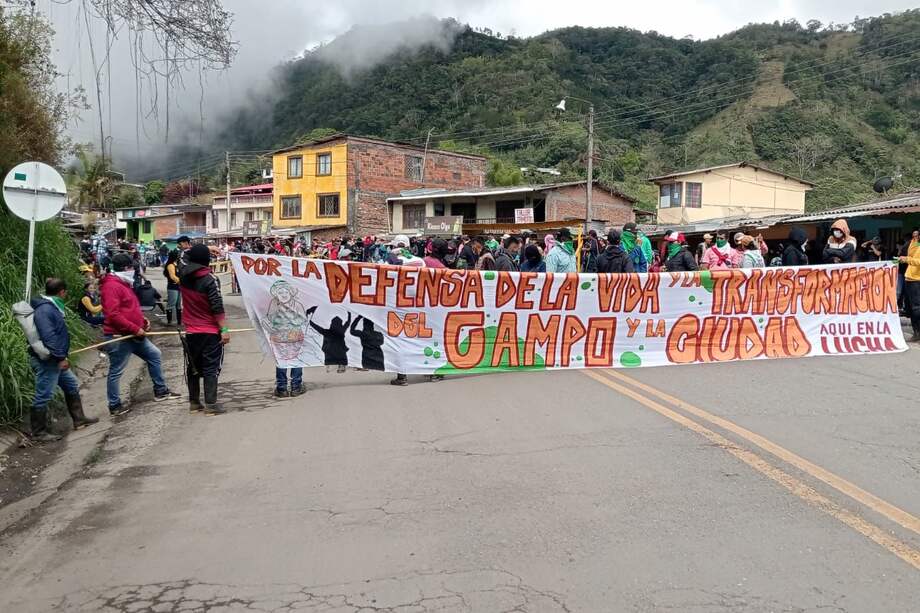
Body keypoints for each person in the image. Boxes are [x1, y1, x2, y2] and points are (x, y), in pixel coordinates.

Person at [101, 254, 180, 416]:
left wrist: (142, 321)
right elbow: (113, 315)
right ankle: (114, 405)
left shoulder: (124, 283)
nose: (133, 270)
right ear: (126, 268)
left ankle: (160, 390)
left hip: (135, 334)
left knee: (154, 355)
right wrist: (134, 328)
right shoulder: (111, 286)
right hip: (119, 336)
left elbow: (130, 308)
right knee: (116, 371)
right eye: (132, 267)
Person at [27, 279, 99, 442]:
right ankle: (38, 433)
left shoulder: (48, 306)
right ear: (62, 292)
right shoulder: (46, 309)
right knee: (44, 394)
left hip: (54, 358)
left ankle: (79, 419)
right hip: (49, 360)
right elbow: (49, 336)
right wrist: (60, 357)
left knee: (71, 384)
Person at [179, 244, 230, 415]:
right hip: (210, 332)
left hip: (191, 332)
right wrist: (224, 330)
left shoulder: (183, 275)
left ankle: (194, 403)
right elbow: (217, 307)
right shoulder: (210, 279)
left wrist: (203, 248)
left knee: (193, 366)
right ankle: (211, 406)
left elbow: (182, 255)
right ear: (207, 260)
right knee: (210, 368)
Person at [900, 228, 920, 342]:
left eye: (917, 236)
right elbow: (910, 254)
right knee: (910, 307)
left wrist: (907, 260)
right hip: (909, 278)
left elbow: (917, 261)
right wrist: (914, 241)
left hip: (917, 279)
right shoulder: (916, 244)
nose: (915, 237)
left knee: (916, 308)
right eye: (914, 236)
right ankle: (916, 332)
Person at [164, 250, 182, 326]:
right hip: (172, 286)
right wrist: (181, 282)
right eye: (178, 255)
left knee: (178, 304)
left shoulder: (176, 264)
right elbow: (172, 276)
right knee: (171, 303)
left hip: (178, 286)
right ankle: (169, 321)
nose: (179, 257)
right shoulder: (170, 265)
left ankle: (179, 321)